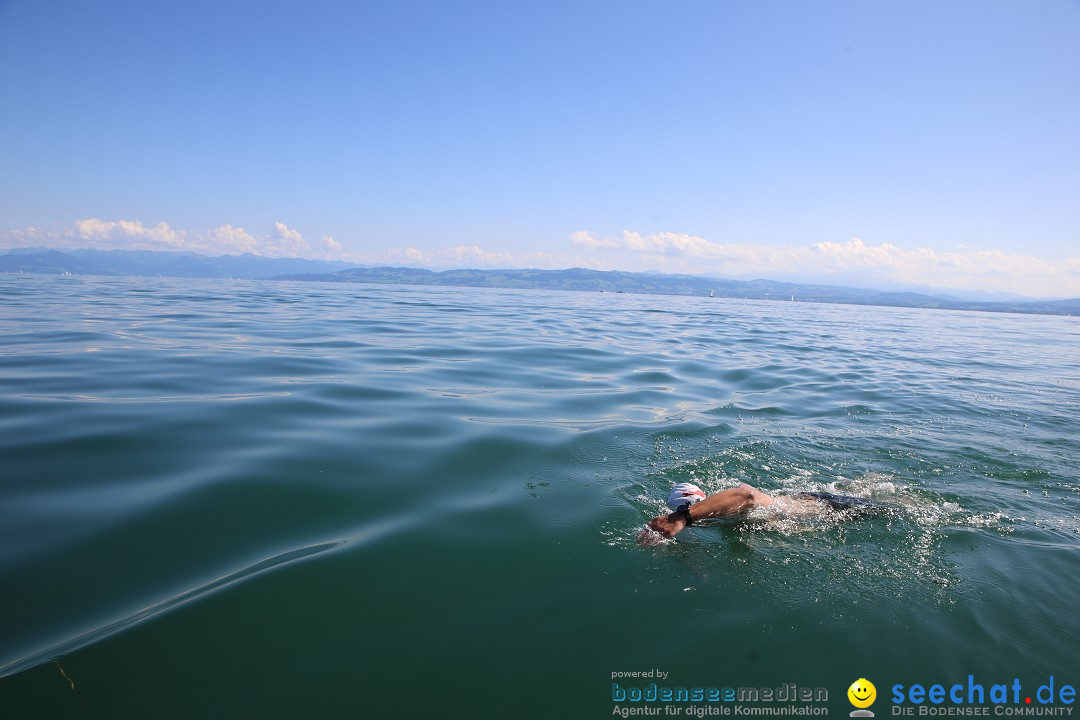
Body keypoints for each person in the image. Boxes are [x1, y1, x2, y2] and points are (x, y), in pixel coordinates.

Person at [638, 482, 878, 543]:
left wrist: (684, 517)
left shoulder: (732, 499)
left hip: (829, 508)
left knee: (896, 509)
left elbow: (747, 495)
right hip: (809, 503)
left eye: (684, 509)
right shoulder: (708, 514)